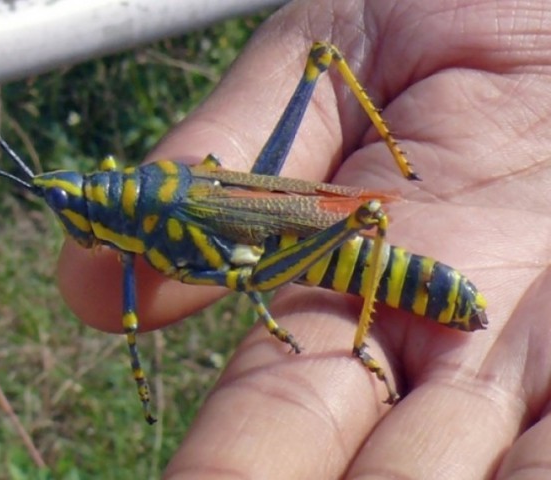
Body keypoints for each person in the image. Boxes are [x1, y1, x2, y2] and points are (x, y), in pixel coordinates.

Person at [57, 0, 551, 477]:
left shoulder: (143, 222)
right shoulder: (138, 205)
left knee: (324, 76)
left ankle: (359, 346)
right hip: (257, 226)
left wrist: (263, 311)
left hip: (302, 244)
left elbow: (238, 277)